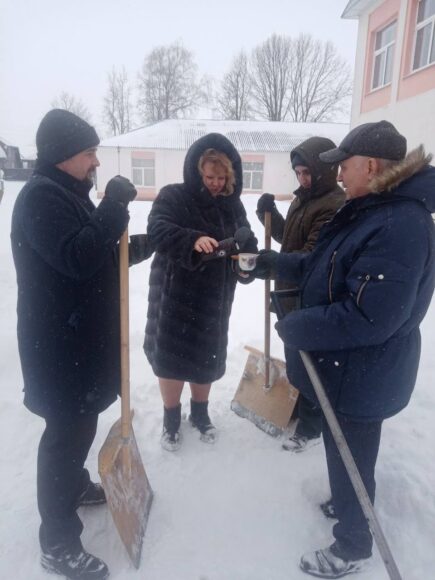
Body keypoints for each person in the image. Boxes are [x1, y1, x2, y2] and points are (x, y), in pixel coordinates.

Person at [251, 120, 435, 578]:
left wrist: (298, 326)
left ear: (370, 166)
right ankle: (348, 498)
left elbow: (370, 317)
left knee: (351, 451)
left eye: (344, 165)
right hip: (350, 366)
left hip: (365, 370)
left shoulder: (399, 224)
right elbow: (323, 264)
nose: (338, 174)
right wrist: (272, 263)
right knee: (345, 448)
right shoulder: (370, 209)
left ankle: (352, 545)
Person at [11, 109, 152, 580]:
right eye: (89, 152)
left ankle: (73, 486)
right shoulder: (40, 199)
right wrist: (113, 204)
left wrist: (148, 243)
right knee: (64, 439)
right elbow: (77, 257)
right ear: (62, 155)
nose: (96, 161)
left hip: (77, 345)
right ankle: (57, 543)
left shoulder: (68, 195)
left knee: (80, 428)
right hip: (58, 349)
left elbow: (100, 252)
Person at [145, 133, 257, 451]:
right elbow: (157, 229)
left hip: (213, 299)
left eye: (222, 178)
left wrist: (246, 263)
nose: (216, 184)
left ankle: (200, 413)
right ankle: (170, 419)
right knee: (171, 359)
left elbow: (245, 243)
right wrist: (192, 239)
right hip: (175, 294)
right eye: (210, 177)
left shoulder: (232, 206)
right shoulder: (174, 196)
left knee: (205, 358)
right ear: (197, 172)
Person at [256, 137, 345, 452]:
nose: (303, 179)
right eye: (298, 172)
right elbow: (291, 241)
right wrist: (269, 215)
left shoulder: (333, 205)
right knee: (297, 358)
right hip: (291, 293)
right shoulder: (304, 199)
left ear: (324, 170)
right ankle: (301, 407)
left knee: (310, 363)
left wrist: (273, 264)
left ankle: (311, 426)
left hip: (311, 297)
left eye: (308, 172)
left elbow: (312, 257)